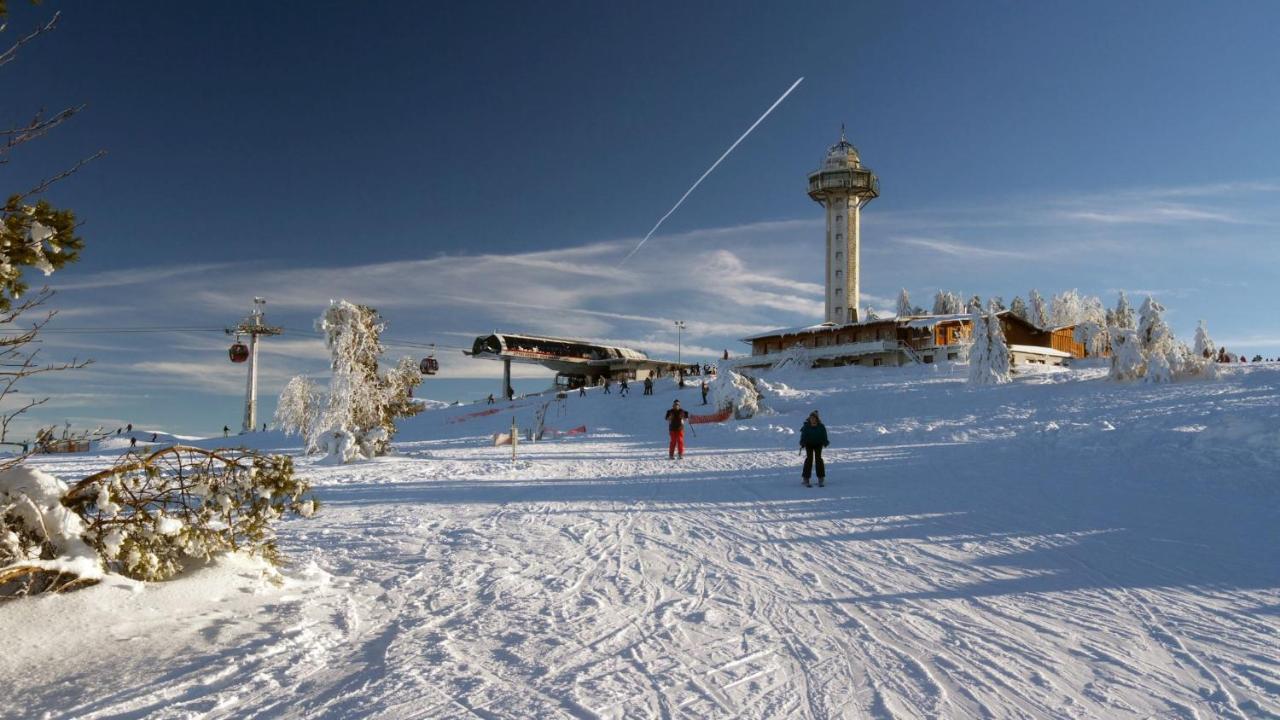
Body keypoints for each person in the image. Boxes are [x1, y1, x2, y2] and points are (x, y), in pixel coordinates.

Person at [799, 411, 829, 487]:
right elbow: (803, 436)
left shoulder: (821, 426)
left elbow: (824, 435)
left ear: (816, 419)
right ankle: (806, 478)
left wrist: (825, 442)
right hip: (809, 444)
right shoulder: (806, 426)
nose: (812, 419)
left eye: (813, 418)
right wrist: (802, 443)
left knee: (818, 459)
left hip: (818, 444)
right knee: (809, 459)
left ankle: (821, 478)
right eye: (811, 418)